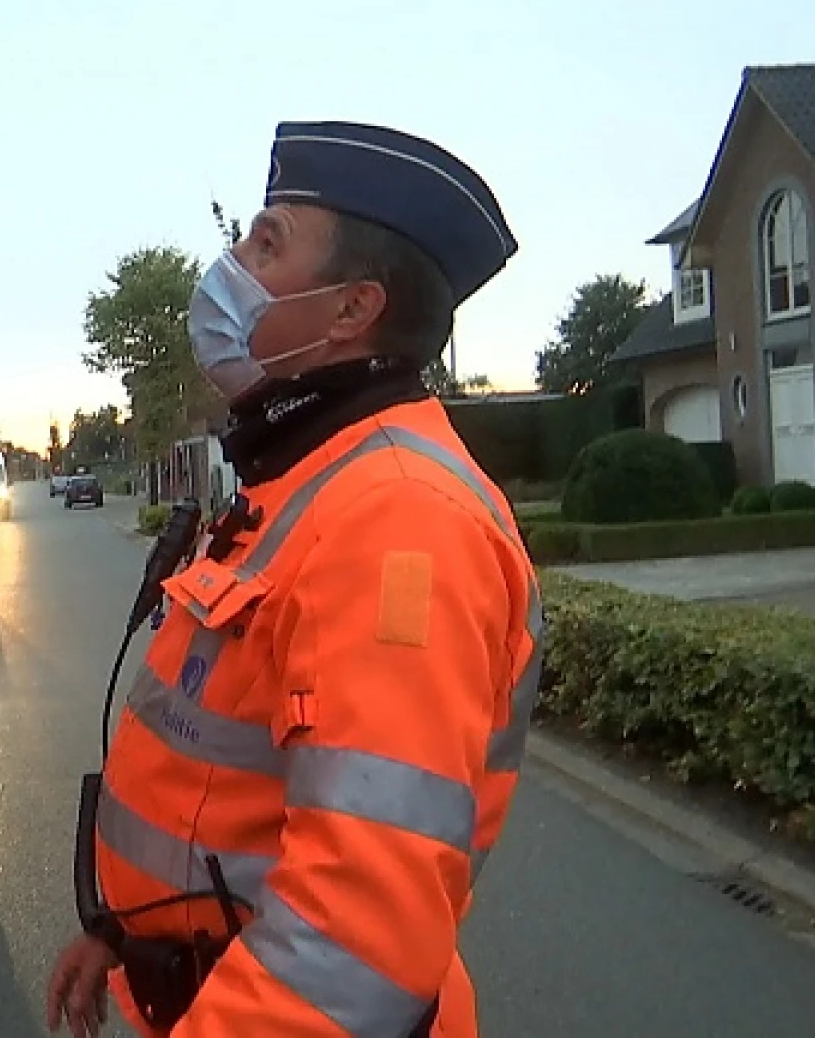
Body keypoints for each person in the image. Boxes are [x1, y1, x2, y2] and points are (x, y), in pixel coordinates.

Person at [47, 120, 543, 1038]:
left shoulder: (401, 520)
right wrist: (123, 933)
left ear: (353, 309)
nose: (229, 267)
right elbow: (229, 796)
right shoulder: (313, 481)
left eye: (265, 243)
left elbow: (356, 942)